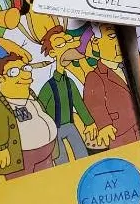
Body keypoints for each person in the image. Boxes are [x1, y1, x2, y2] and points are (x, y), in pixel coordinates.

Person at [38, 27, 106, 161]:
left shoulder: (69, 82)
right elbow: (40, 111)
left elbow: (78, 103)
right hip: (54, 131)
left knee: (82, 154)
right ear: (53, 53)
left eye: (69, 41)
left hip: (70, 125)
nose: (68, 46)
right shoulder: (48, 87)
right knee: (61, 160)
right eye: (60, 44)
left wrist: (89, 122)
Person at [0, 53, 58, 180]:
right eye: (14, 72)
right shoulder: (1, 106)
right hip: (23, 157)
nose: (24, 74)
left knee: (47, 182)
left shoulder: (31, 96)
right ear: (0, 78)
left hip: (46, 152)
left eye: (25, 68)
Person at [82, 28, 140, 149]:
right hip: (119, 131)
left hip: (139, 124)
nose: (118, 43)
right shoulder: (95, 76)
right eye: (112, 36)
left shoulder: (130, 66)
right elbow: (94, 103)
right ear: (96, 44)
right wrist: (104, 125)